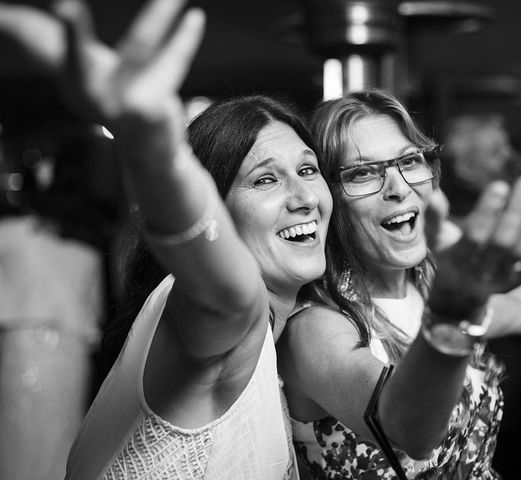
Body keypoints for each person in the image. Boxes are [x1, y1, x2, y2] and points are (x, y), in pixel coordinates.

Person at [0, 0, 333, 478]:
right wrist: (154, 149)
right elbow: (224, 288)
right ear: (218, 202)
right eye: (265, 180)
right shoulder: (232, 315)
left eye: (307, 169)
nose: (303, 196)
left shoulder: (281, 338)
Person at [277, 89, 521, 479]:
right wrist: (452, 316)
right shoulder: (318, 326)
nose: (398, 187)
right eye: (363, 172)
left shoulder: (424, 286)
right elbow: (408, 430)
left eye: (408, 160)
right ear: (328, 196)